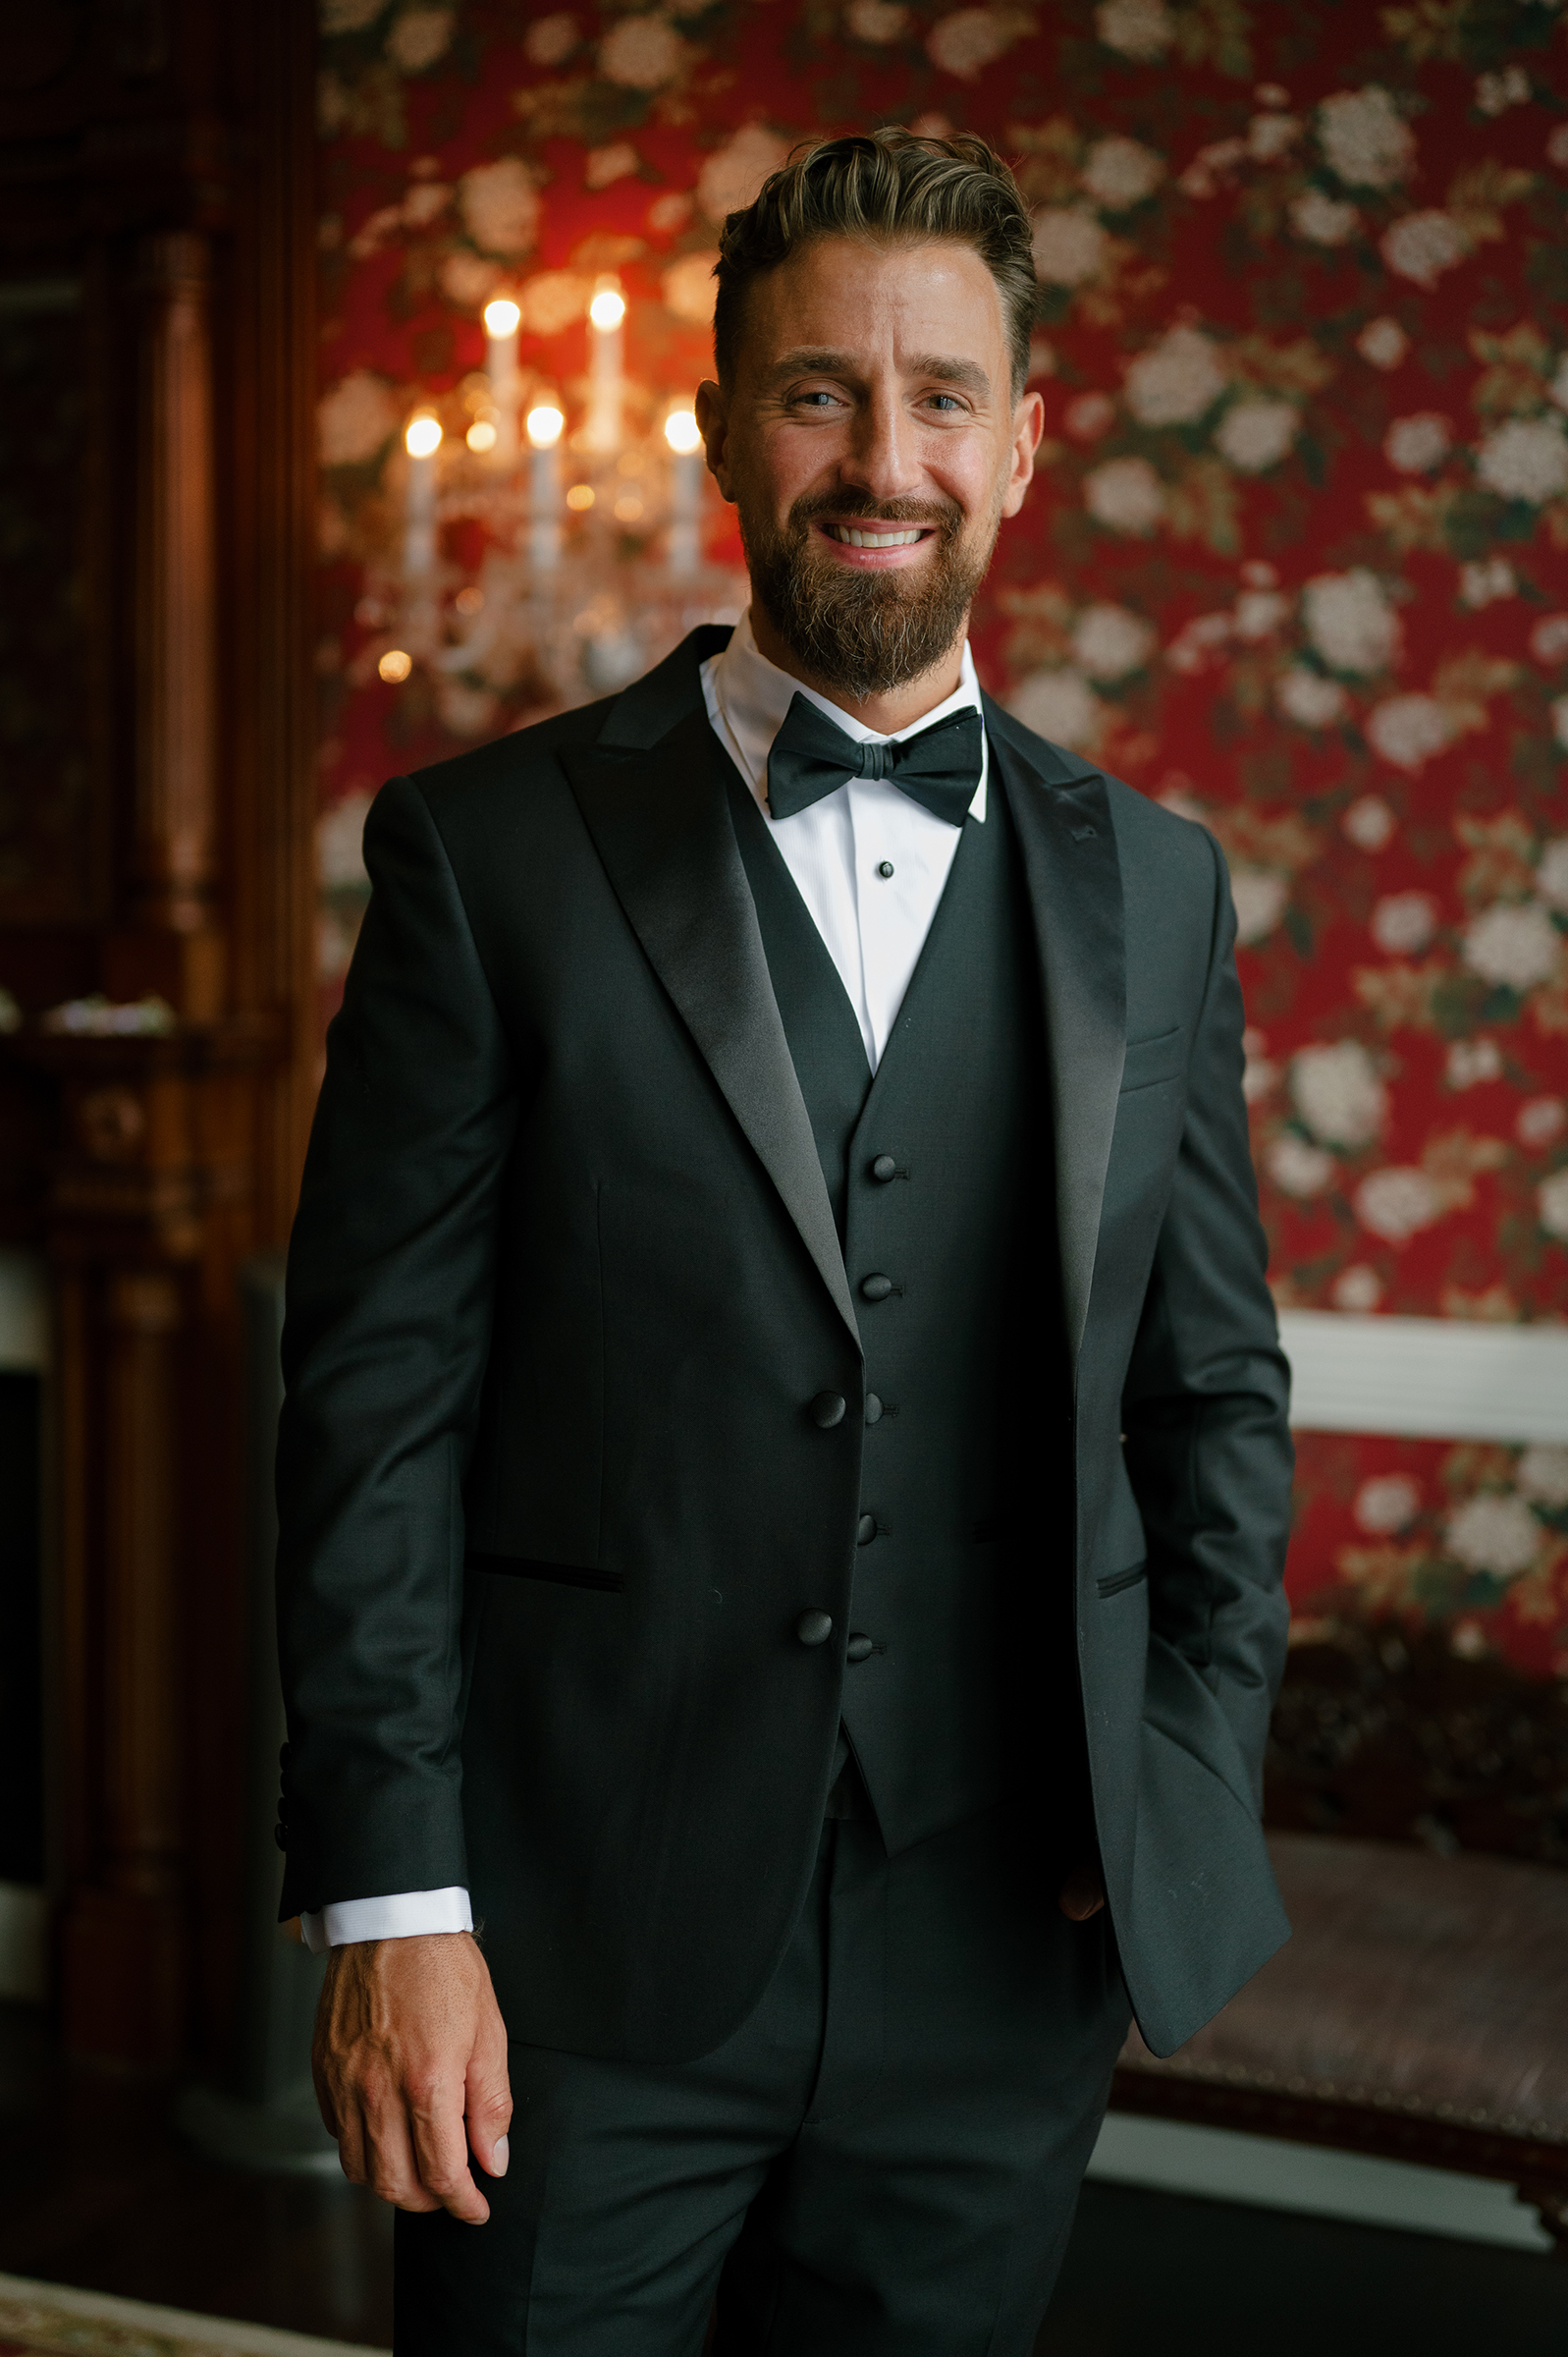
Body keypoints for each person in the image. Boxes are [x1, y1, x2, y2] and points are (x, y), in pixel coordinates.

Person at [276, 128, 1294, 2357]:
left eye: (941, 394)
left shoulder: (1160, 889)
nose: (883, 452)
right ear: (725, 425)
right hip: (571, 1957)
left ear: (1022, 447)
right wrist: (397, 1905)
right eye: (821, 389)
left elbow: (1206, 1393)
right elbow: (373, 1414)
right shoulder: (486, 855)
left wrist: (1176, 1791)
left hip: (996, 1960)